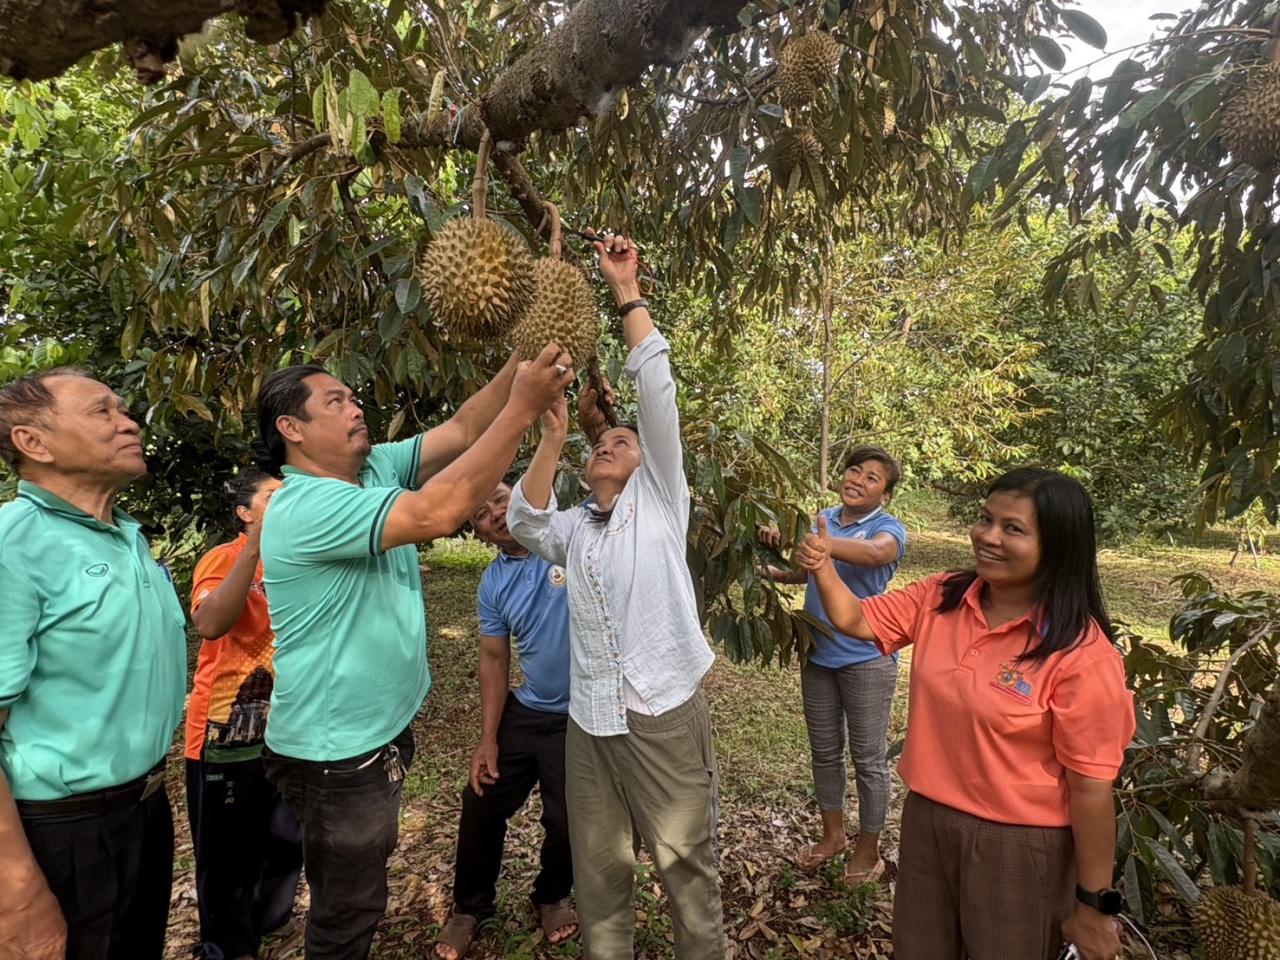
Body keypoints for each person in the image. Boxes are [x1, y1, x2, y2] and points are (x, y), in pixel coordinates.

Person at [255, 346, 572, 960]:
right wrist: (526, 405)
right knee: (347, 912)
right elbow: (440, 509)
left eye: (352, 396)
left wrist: (519, 359)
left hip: (374, 737)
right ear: (291, 429)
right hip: (336, 751)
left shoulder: (370, 468)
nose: (356, 408)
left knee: (359, 890)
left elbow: (463, 428)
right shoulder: (308, 505)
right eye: (335, 401)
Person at [797, 467, 1135, 960]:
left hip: (1019, 846)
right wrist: (823, 564)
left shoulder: (1081, 654)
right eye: (985, 519)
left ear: (1059, 545)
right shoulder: (943, 596)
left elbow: (1090, 788)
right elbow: (854, 620)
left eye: (1013, 528)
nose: (988, 537)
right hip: (929, 819)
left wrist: (1092, 905)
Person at [508, 233, 725, 960]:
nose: (612, 445)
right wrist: (551, 438)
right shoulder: (579, 527)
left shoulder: (662, 500)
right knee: (600, 875)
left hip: (660, 713)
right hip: (588, 724)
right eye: (603, 444)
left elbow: (654, 388)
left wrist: (625, 291)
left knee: (685, 867)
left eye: (624, 442)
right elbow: (524, 522)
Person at [0, 367, 186, 960]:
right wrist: (16, 890)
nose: (127, 421)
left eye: (123, 409)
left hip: (145, 809)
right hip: (59, 834)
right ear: (35, 442)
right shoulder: (14, 546)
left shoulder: (124, 536)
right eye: (101, 411)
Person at [433, 481, 576, 960]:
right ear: (481, 535)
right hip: (530, 708)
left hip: (582, 715)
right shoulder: (493, 583)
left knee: (568, 815)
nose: (494, 512)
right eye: (479, 514)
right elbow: (493, 659)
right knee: (482, 797)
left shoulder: (567, 539)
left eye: (499, 497)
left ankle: (552, 896)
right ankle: (469, 908)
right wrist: (487, 738)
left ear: (521, 494)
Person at [762, 447, 906, 882]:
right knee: (825, 753)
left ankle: (868, 850)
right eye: (854, 470)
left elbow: (875, 555)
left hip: (866, 659)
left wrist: (818, 544)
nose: (859, 479)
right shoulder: (824, 517)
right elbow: (806, 570)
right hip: (818, 653)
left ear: (886, 493)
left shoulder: (888, 528)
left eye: (873, 477)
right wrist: (766, 566)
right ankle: (833, 836)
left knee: (868, 759)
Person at [186, 468, 303, 960]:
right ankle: (227, 947)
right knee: (226, 853)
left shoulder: (301, 560)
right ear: (244, 513)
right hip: (225, 733)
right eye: (273, 496)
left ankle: (272, 919)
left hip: (292, 730)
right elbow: (210, 621)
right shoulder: (225, 557)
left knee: (283, 838)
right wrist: (255, 548)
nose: (286, 501)